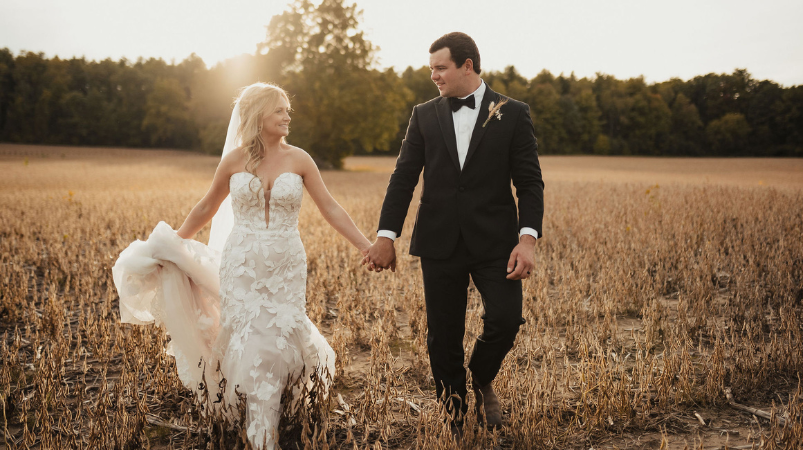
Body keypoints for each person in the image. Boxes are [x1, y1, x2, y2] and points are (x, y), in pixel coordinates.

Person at [113, 82, 372, 449]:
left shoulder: (300, 159)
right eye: (279, 110)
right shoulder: (233, 161)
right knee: (248, 335)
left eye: (287, 110)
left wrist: (366, 246)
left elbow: (330, 208)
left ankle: (287, 409)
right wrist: (176, 241)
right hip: (242, 262)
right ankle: (260, 431)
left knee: (281, 331)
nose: (287, 116)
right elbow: (207, 206)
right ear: (258, 115)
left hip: (285, 263)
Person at [363, 32, 545, 431]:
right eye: (431, 69)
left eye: (440, 68)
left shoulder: (512, 113)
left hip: (496, 242)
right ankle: (455, 418)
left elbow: (529, 183)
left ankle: (481, 377)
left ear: (468, 65)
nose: (434, 77)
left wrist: (527, 239)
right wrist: (385, 236)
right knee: (442, 338)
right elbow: (403, 178)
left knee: (506, 319)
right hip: (439, 241)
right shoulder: (423, 115)